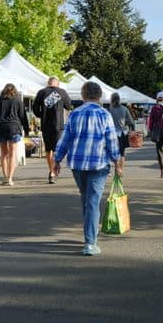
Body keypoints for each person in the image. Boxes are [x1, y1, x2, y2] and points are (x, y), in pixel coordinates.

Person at [53, 81, 121, 256]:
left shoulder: (74, 114)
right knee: (92, 201)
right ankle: (90, 242)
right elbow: (112, 141)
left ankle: (89, 235)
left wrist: (56, 160)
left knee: (86, 198)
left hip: (77, 164)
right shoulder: (104, 115)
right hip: (98, 163)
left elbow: (65, 139)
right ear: (99, 96)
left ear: (83, 95)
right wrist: (117, 162)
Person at [32, 76, 72, 184]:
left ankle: (51, 172)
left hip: (45, 125)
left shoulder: (41, 92)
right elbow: (69, 106)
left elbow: (35, 108)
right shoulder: (62, 92)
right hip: (58, 125)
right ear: (58, 83)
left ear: (48, 82)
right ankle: (54, 171)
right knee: (56, 149)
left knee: (48, 149)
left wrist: (42, 115)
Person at [0, 83, 29, 186]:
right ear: (15, 91)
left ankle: (4, 176)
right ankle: (10, 178)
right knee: (12, 154)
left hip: (1, 127)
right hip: (14, 128)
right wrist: (27, 130)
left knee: (4, 154)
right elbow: (23, 116)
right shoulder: (18, 101)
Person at [108, 92, 134, 175]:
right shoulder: (124, 109)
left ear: (112, 100)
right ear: (119, 99)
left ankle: (114, 170)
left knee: (112, 152)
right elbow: (131, 122)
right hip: (123, 133)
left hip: (113, 134)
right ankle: (120, 171)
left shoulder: (110, 109)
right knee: (122, 153)